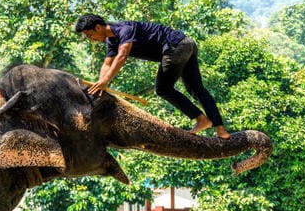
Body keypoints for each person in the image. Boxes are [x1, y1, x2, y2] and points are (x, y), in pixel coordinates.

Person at [75, 14, 230, 139]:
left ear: (98, 27)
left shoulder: (125, 30)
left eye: (90, 35)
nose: (92, 40)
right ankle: (220, 129)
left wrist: (105, 81)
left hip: (176, 47)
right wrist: (102, 85)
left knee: (163, 89)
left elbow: (122, 56)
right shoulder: (111, 41)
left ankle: (202, 119)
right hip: (186, 43)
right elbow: (107, 64)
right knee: (196, 88)